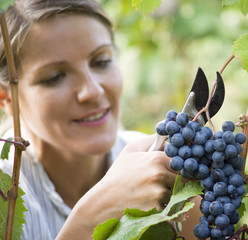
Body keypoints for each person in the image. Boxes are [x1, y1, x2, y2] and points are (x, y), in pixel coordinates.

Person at [0, 0, 201, 239]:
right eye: (55, 77)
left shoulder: (161, 167)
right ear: (7, 101)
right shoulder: (6, 195)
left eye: (101, 62)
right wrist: (92, 217)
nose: (93, 91)